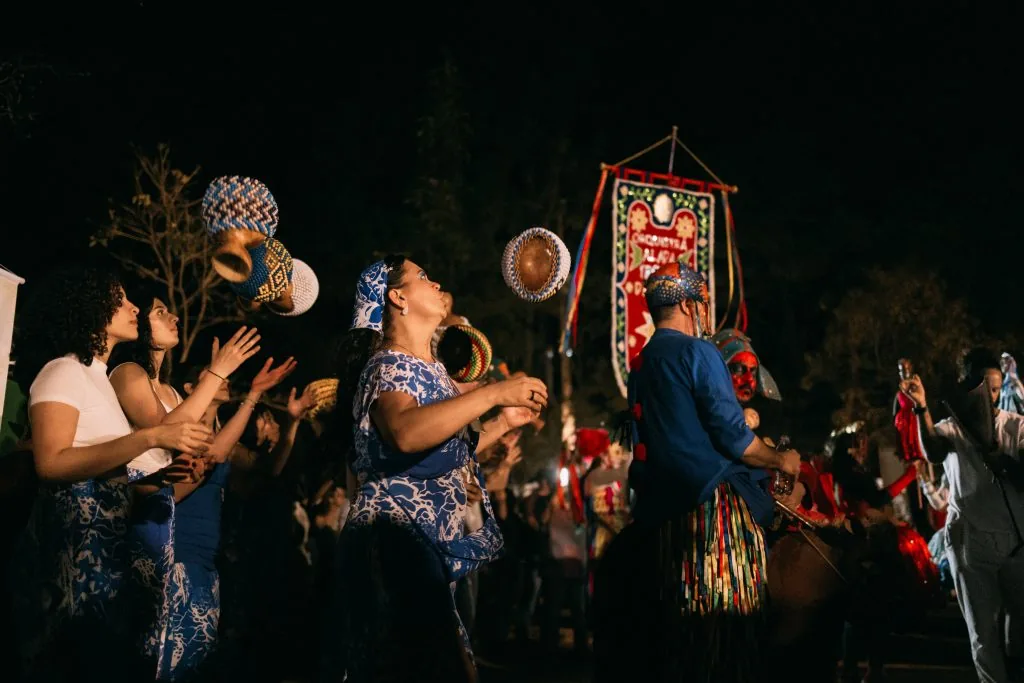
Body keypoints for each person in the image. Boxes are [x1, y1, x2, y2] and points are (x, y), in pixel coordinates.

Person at [334, 255, 547, 682]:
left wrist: (503, 421)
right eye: (423, 277)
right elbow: (406, 433)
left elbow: (447, 451)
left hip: (426, 544)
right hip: (398, 543)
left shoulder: (432, 373)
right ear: (398, 298)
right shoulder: (388, 364)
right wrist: (493, 394)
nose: (436, 283)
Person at [9, 266, 211, 682]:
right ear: (90, 308)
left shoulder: (98, 379)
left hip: (110, 554)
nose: (133, 306)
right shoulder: (63, 371)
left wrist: (162, 478)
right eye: (121, 299)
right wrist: (148, 437)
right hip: (75, 558)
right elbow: (50, 462)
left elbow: (107, 467)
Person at [623, 260, 800, 682]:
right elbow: (733, 438)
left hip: (657, 507)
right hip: (709, 510)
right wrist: (779, 460)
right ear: (688, 304)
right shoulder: (697, 352)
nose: (705, 312)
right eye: (702, 303)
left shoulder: (642, 362)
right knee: (735, 623)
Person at [902, 347, 1024, 682]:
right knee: (983, 634)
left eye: (997, 388)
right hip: (971, 545)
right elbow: (932, 447)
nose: (992, 396)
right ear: (968, 387)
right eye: (985, 388)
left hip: (1016, 546)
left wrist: (1002, 459)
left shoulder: (1017, 426)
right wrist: (921, 408)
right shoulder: (951, 428)